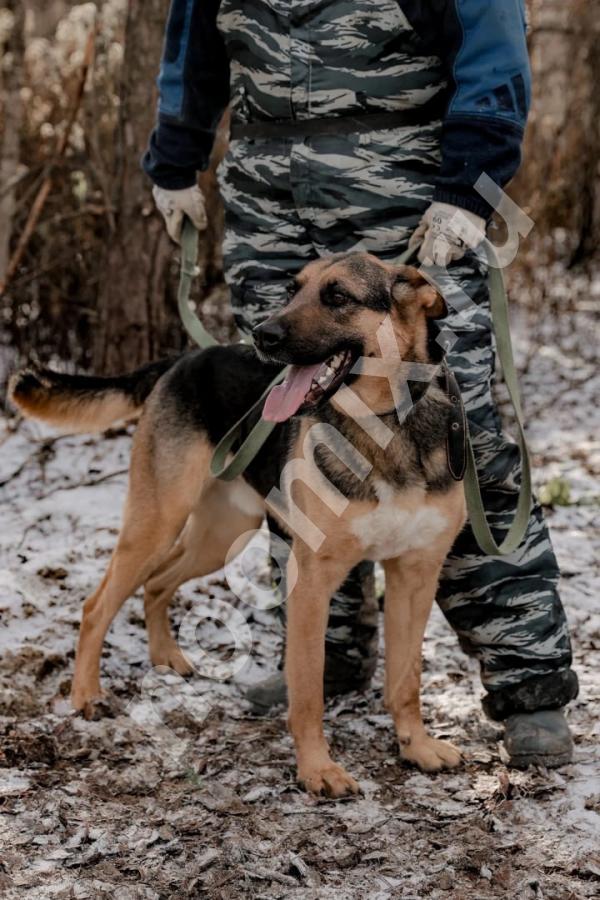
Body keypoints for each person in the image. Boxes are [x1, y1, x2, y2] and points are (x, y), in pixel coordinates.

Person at [143, 0, 578, 767]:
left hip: (407, 202)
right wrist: (175, 159)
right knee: (292, 438)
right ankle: (326, 654)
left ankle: (529, 683)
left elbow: (493, 40)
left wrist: (473, 182)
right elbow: (194, 43)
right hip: (270, 214)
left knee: (459, 440)